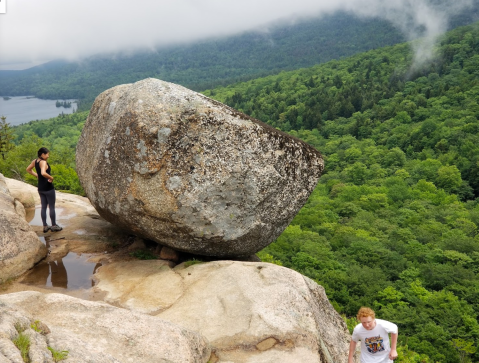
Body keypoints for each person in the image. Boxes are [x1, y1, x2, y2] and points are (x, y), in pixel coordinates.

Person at [26, 147, 63, 233]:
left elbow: (28, 169)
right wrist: (51, 177)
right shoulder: (43, 162)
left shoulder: (35, 161)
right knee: (51, 207)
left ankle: (45, 226)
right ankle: (54, 226)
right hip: (48, 188)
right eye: (47, 154)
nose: (48, 156)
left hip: (40, 188)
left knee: (43, 207)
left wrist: (36, 175)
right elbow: (43, 173)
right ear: (42, 154)